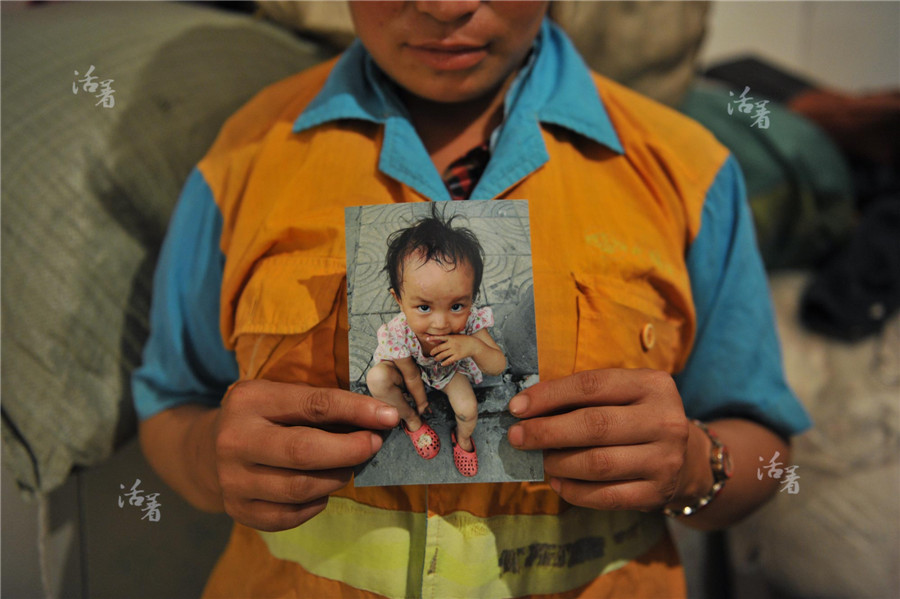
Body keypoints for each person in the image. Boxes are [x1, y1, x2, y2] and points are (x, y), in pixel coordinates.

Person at [133, 2, 812, 598]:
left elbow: (772, 459)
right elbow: (170, 399)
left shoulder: (686, 171)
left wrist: (698, 464)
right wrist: (206, 457)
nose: (444, 5)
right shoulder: (245, 159)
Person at [366, 210, 506, 476]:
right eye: (423, 307)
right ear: (398, 299)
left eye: (456, 305)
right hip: (413, 372)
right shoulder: (398, 332)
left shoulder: (470, 323)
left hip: (449, 373)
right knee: (376, 379)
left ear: (472, 297)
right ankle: (412, 422)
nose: (441, 323)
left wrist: (473, 346)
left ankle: (463, 439)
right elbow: (410, 374)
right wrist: (419, 403)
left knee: (467, 410)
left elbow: (498, 366)